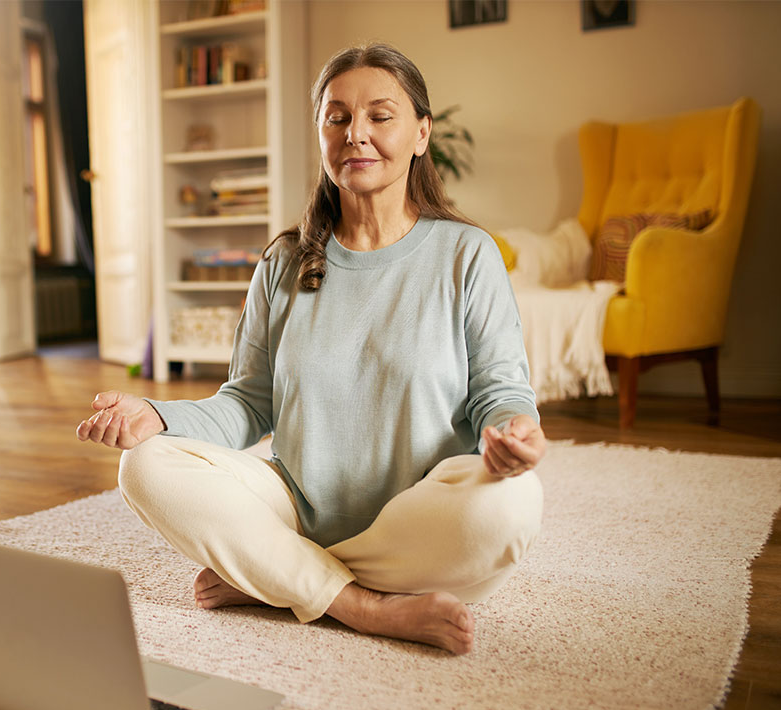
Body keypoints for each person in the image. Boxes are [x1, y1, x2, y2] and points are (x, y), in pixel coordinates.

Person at [77, 43, 546, 656]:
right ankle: (361, 605)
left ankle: (281, 576)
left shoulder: (466, 254)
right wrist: (157, 416)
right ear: (320, 133)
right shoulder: (285, 261)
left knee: (511, 507)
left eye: (381, 116)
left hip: (419, 518)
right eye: (337, 117)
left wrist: (514, 432)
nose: (357, 134)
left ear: (421, 134)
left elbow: (499, 388)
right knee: (144, 465)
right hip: (297, 507)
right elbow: (247, 404)